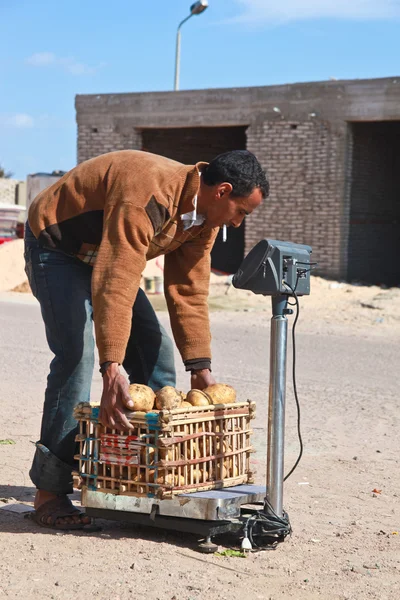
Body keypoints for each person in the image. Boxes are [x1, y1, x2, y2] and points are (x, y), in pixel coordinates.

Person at [24, 148, 269, 529]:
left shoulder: (203, 221)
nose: (239, 223)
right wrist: (112, 368)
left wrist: (201, 369)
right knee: (77, 356)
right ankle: (50, 491)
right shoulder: (148, 193)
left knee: (156, 353)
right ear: (222, 191)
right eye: (242, 212)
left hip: (106, 255)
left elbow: (187, 291)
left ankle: (151, 478)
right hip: (57, 246)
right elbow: (117, 277)